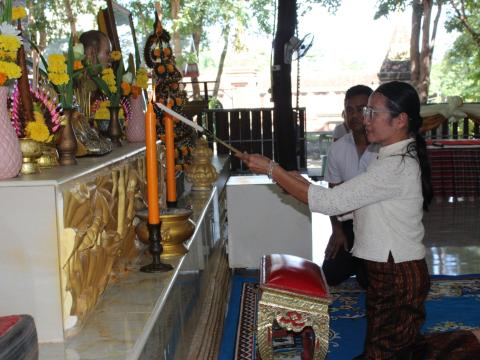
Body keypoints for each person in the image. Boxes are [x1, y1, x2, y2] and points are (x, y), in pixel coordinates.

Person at [237, 81, 480, 358]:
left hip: (397, 274)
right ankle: (470, 340)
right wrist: (290, 180)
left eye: (373, 113)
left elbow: (330, 201)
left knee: (393, 353)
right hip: (387, 271)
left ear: (400, 120)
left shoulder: (394, 165)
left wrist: (272, 169)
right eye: (366, 112)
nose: (365, 120)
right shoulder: (389, 155)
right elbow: (350, 202)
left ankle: (470, 341)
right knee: (399, 349)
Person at [322, 85, 377, 289]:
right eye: (350, 110)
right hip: (348, 224)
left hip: (378, 226)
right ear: (344, 113)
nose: (355, 115)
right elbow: (332, 195)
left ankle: (362, 265)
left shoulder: (384, 147)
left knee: (371, 282)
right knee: (331, 275)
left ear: (372, 111)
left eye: (361, 109)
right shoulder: (337, 149)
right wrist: (337, 231)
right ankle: (353, 260)